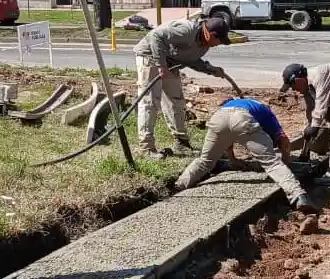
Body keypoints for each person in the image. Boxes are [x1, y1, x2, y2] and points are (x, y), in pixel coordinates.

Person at [174, 97, 318, 213]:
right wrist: (286, 163)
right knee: (272, 164)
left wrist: (232, 159)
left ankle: (179, 185)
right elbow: (284, 141)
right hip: (242, 118)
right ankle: (299, 197)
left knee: (205, 161)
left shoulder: (227, 106)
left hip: (218, 118)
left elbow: (226, 138)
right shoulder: (263, 109)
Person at [132, 16, 231, 158]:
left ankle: (181, 143)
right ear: (211, 34)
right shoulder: (187, 31)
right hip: (149, 56)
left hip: (169, 62)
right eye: (219, 40)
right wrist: (161, 66)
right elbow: (156, 36)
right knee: (150, 102)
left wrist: (211, 69)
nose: (219, 44)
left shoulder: (204, 45)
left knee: (176, 101)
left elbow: (192, 60)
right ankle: (146, 148)